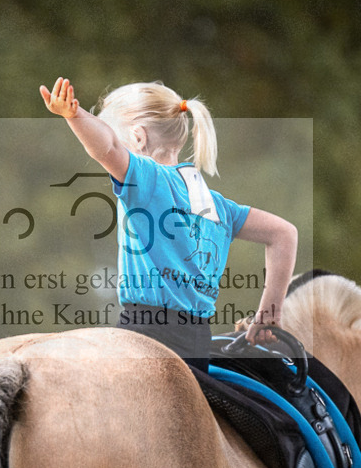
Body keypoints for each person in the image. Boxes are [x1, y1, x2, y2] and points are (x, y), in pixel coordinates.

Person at [40, 77, 298, 371]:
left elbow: (107, 147)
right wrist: (269, 313)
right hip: (196, 345)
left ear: (138, 138)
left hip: (145, 336)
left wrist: (74, 116)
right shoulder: (220, 206)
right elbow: (283, 234)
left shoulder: (147, 178)